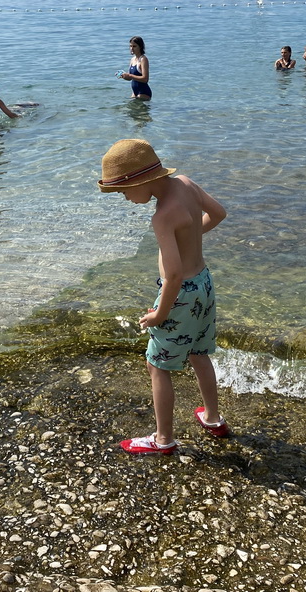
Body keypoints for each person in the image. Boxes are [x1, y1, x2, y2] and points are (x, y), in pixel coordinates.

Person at [98, 139, 229, 455]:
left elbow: (171, 277)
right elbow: (219, 214)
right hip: (203, 284)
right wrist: (191, 236)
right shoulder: (185, 184)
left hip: (181, 293)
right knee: (198, 353)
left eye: (124, 192)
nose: (127, 199)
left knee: (157, 366)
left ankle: (163, 440)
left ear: (138, 181)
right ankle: (212, 419)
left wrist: (159, 314)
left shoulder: (162, 216)